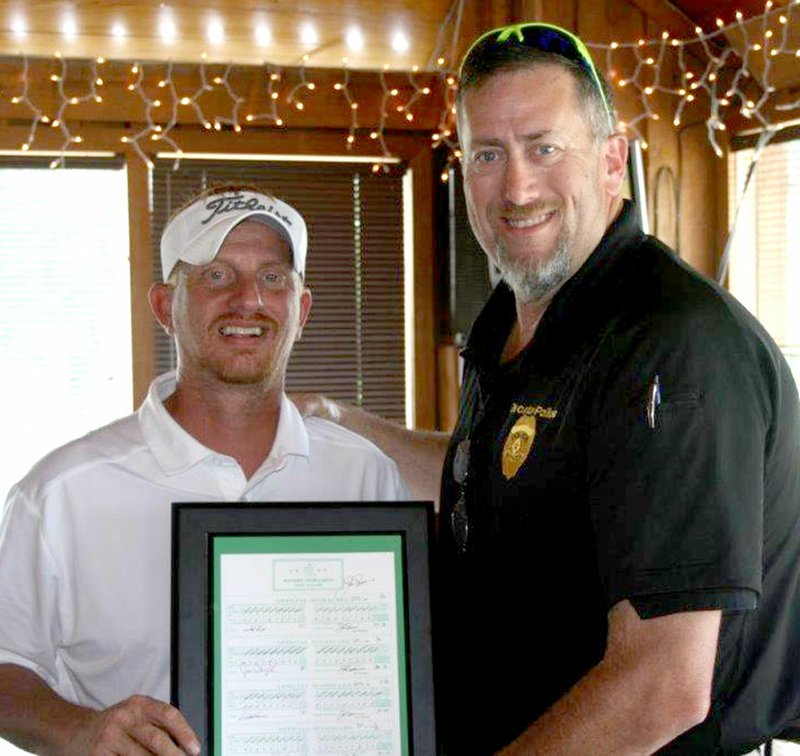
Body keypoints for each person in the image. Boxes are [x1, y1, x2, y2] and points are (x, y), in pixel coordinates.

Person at [295, 22, 800, 755]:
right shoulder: (514, 324)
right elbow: (494, 476)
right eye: (488, 155)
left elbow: (663, 683)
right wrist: (336, 420)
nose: (517, 186)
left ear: (612, 163)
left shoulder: (670, 345)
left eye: (544, 147)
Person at [0, 184, 409, 755]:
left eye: (273, 278)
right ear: (166, 305)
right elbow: (6, 665)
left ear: (302, 310)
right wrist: (78, 729)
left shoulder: (365, 476)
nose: (248, 300)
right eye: (216, 275)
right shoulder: (61, 493)